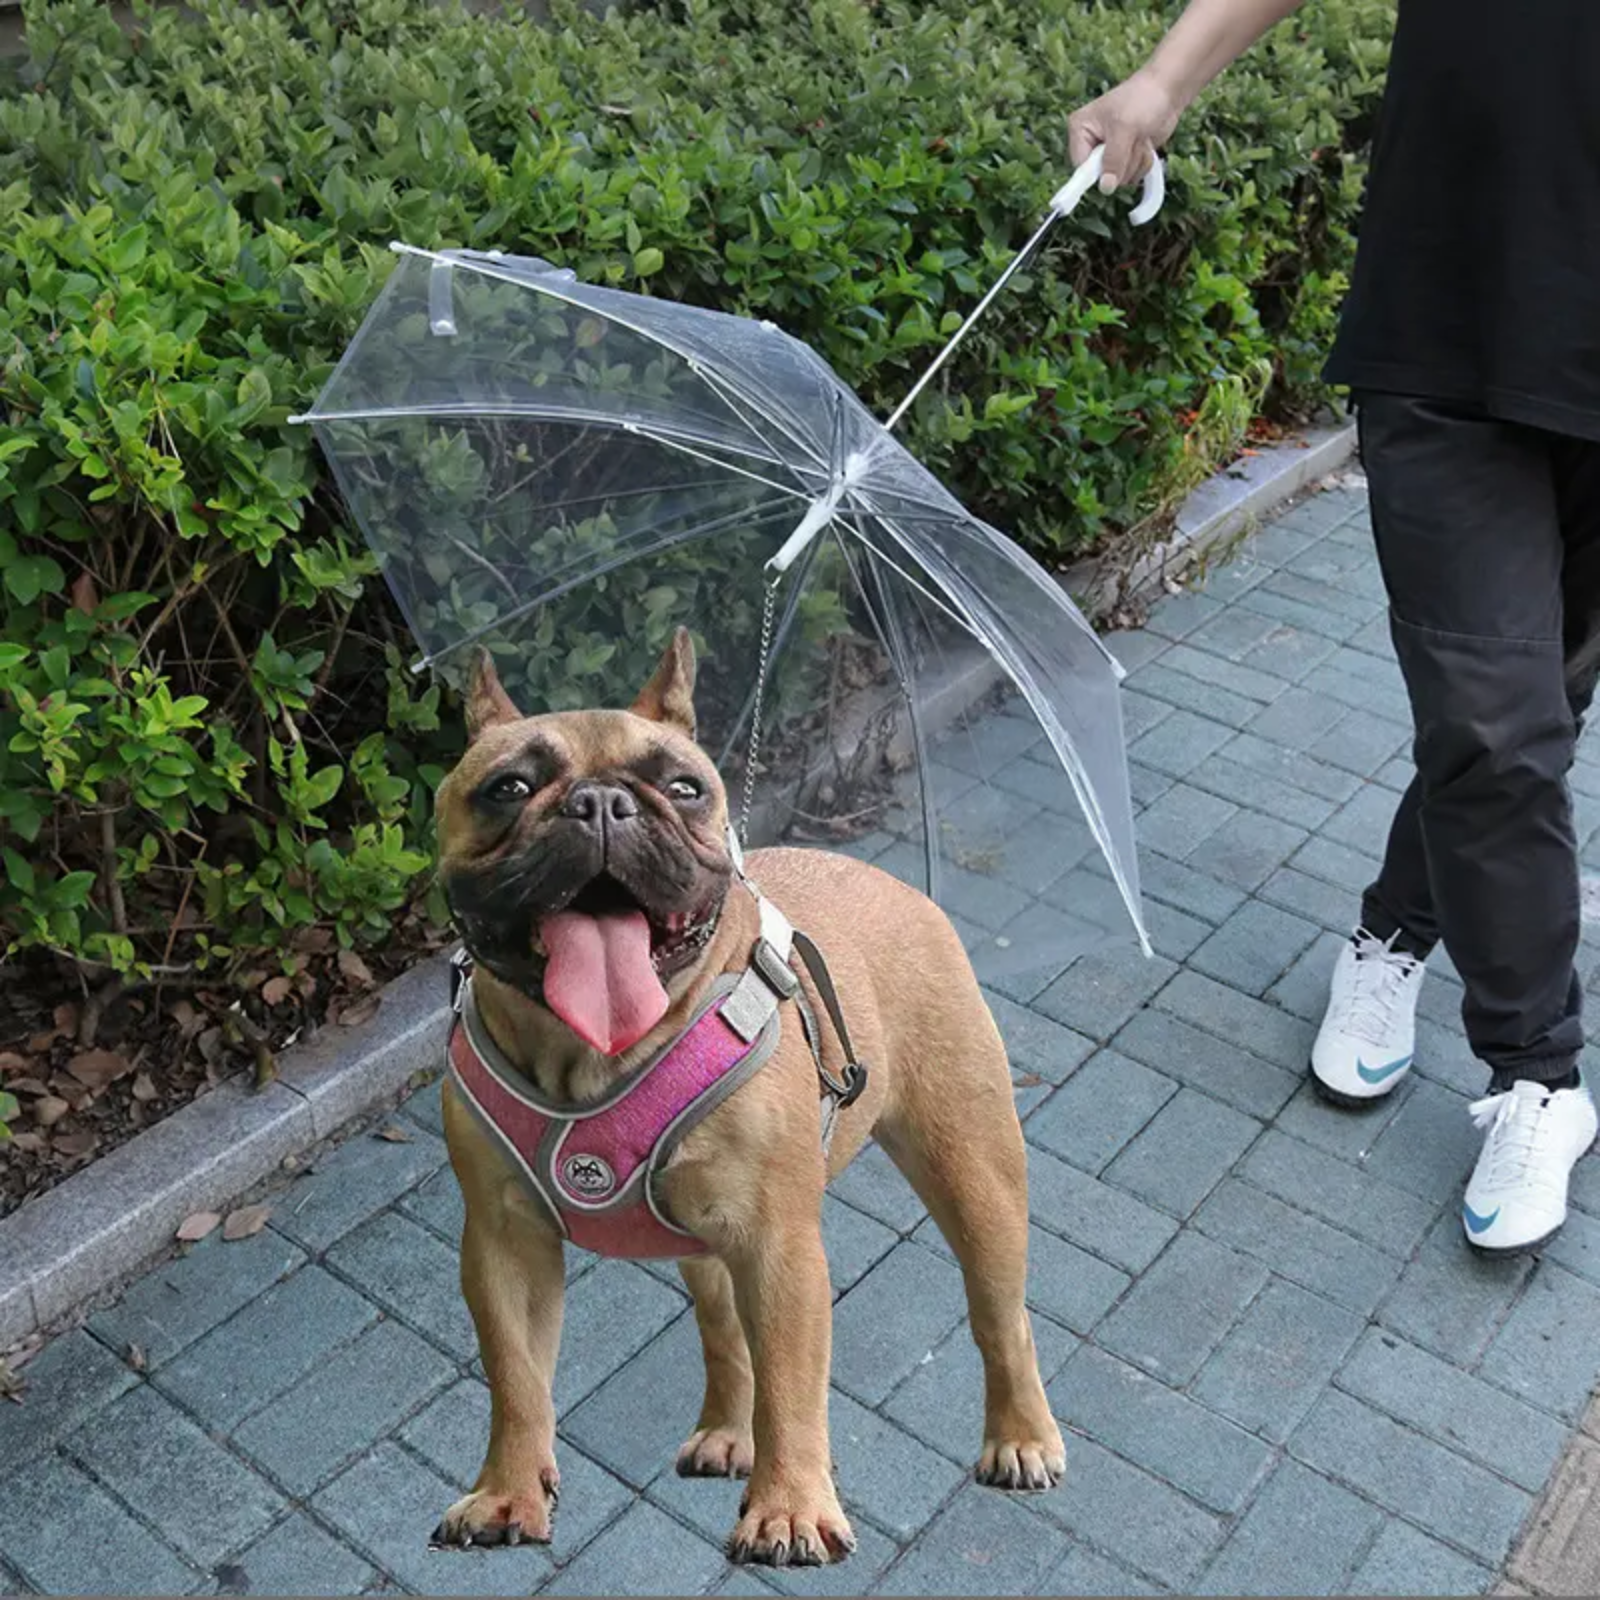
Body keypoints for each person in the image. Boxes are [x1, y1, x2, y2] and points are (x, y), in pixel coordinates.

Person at [1071, 0, 1600, 1254]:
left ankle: (1393, 928)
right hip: (1445, 324)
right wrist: (1163, 80)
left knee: (1528, 713)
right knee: (1493, 720)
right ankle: (1539, 1072)